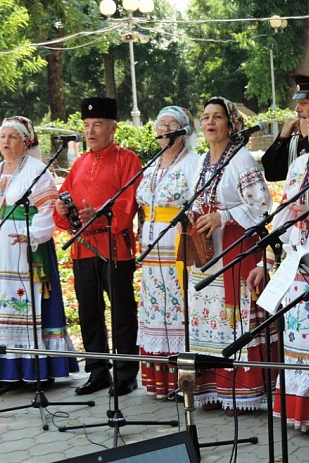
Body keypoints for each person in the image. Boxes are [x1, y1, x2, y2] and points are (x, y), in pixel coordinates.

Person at [247, 97, 309, 433]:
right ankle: (298, 411)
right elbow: (282, 216)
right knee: (296, 340)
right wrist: (269, 259)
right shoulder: (300, 164)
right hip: (297, 258)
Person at [0, 116, 79, 384]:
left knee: (30, 305)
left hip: (27, 250)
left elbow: (47, 210)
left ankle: (36, 370)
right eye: (2, 137)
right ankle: (4, 371)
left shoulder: (37, 170)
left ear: (25, 142)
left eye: (12, 137)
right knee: (1, 306)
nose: (5, 142)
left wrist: (31, 234)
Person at [188, 96, 273, 413]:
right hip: (207, 250)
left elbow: (262, 206)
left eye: (217, 117)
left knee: (234, 318)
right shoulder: (200, 162)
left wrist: (223, 217)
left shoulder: (242, 160)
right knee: (210, 319)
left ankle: (241, 391)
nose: (209, 122)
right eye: (205, 116)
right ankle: (213, 386)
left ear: (231, 123)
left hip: (237, 247)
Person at [54, 97, 143, 396]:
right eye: (87, 126)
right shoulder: (79, 164)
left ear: (113, 128)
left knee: (121, 313)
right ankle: (97, 371)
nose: (91, 132)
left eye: (98, 125)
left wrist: (102, 215)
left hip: (115, 248)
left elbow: (128, 203)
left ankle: (125, 373)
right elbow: (63, 203)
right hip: (82, 249)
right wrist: (62, 210)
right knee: (89, 312)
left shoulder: (127, 159)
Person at [136, 106, 200, 399]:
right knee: (155, 308)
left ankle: (183, 380)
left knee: (178, 307)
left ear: (184, 130)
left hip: (176, 245)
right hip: (151, 249)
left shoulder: (193, 163)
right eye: (160, 124)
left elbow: (198, 204)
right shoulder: (151, 165)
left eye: (170, 124)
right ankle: (158, 381)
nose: (163, 129)